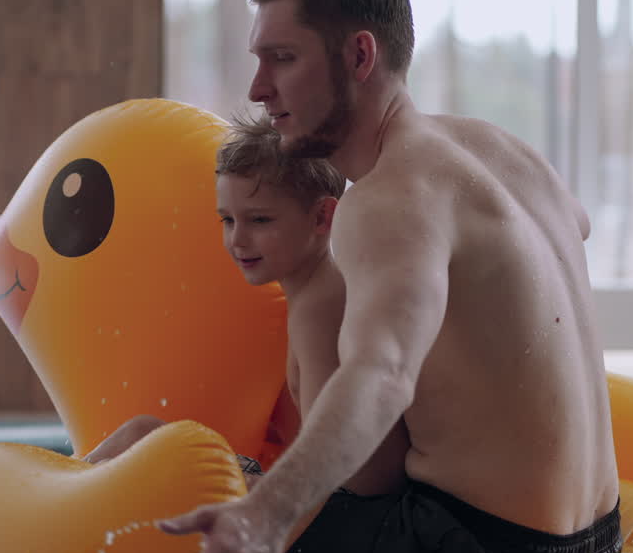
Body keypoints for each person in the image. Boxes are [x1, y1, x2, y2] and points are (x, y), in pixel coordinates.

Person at [157, 0, 621, 553]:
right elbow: (574, 225)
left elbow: (382, 375)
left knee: (159, 496)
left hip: (478, 545)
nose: (259, 88)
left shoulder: (387, 201)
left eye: (282, 59)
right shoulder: (498, 148)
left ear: (360, 55)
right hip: (601, 536)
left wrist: (265, 518)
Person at [82, 120, 406, 498]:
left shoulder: (321, 309)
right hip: (331, 496)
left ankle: (64, 510)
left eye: (259, 220)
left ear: (322, 217)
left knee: (156, 470)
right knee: (143, 433)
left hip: (350, 515)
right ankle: (66, 494)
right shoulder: (313, 296)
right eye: (228, 220)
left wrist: (252, 490)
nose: (238, 239)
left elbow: (338, 464)